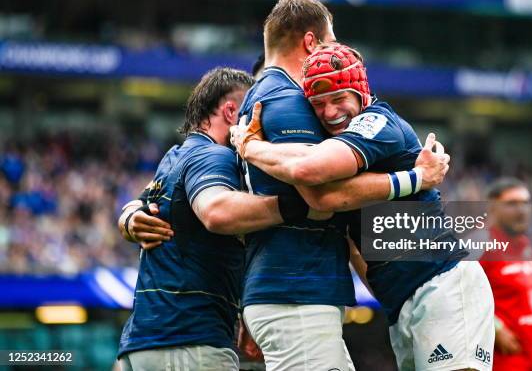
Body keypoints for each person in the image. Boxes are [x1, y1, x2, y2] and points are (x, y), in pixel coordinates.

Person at [233, 42, 495, 371]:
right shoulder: (333, 145)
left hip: (442, 283)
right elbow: (352, 244)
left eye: (339, 99)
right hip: (403, 301)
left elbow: (314, 182)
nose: (330, 112)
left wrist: (250, 146)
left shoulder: (377, 122)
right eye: (318, 104)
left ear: (361, 92)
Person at [117, 67, 321, 371]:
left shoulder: (175, 156)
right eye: (250, 111)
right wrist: (300, 205)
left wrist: (129, 218)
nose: (259, 123)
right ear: (230, 111)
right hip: (189, 342)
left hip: (144, 343)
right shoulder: (216, 156)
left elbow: (137, 210)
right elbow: (216, 212)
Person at [480, 178, 532, 371]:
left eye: (526, 203)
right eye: (512, 204)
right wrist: (495, 326)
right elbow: (456, 295)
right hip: (505, 362)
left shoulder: (525, 245)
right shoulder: (481, 244)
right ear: (492, 207)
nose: (522, 210)